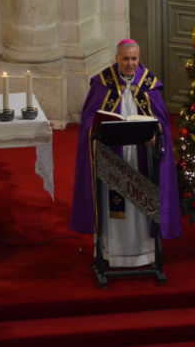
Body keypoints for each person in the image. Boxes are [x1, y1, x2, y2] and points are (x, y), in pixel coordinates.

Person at [71, 39, 182, 267]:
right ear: (117, 59)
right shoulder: (102, 84)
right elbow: (88, 122)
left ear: (138, 59)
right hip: (113, 157)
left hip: (142, 157)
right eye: (125, 59)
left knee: (142, 200)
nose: (130, 63)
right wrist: (98, 131)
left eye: (134, 59)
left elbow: (162, 122)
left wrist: (156, 135)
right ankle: (112, 253)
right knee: (114, 203)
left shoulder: (150, 85)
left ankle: (145, 253)